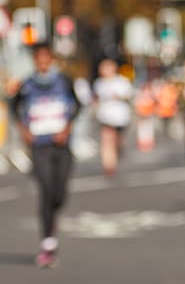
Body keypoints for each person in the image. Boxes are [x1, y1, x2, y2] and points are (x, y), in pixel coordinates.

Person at [11, 41, 80, 268]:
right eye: (38, 59)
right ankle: (48, 243)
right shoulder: (27, 85)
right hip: (40, 146)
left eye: (45, 58)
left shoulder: (63, 81)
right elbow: (14, 108)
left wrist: (66, 129)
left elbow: (77, 106)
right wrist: (24, 131)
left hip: (61, 146)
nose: (42, 63)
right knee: (46, 189)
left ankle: (52, 219)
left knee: (59, 194)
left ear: (51, 60)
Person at [93, 57, 133, 177]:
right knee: (107, 139)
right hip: (105, 117)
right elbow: (96, 98)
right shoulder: (99, 83)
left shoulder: (122, 81)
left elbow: (129, 96)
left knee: (117, 140)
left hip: (120, 118)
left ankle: (117, 151)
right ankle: (109, 165)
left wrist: (118, 96)